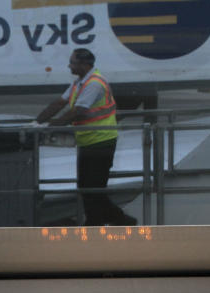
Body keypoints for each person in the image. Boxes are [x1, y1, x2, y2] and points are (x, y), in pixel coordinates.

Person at [37, 48, 136, 226]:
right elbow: (60, 102)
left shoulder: (94, 84)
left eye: (72, 62)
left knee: (93, 188)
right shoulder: (79, 83)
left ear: (84, 64)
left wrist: (50, 127)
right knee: (87, 187)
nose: (69, 66)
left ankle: (105, 222)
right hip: (88, 141)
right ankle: (111, 220)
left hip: (101, 141)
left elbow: (78, 112)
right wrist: (37, 122)